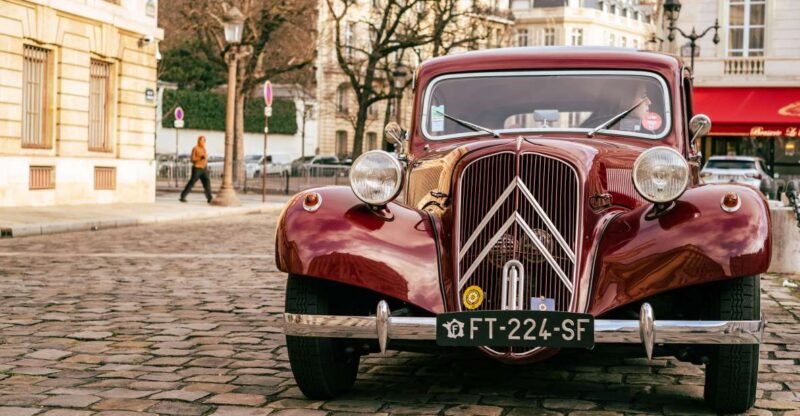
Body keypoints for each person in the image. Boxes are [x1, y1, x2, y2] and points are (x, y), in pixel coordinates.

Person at [180, 136, 213, 203]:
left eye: (204, 141)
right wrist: (200, 158)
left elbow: (205, 158)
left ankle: (210, 198)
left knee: (207, 183)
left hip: (204, 169)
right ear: (198, 141)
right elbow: (192, 159)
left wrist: (205, 162)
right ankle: (183, 196)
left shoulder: (204, 149)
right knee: (192, 182)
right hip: (197, 168)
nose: (203, 142)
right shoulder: (195, 148)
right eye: (201, 140)